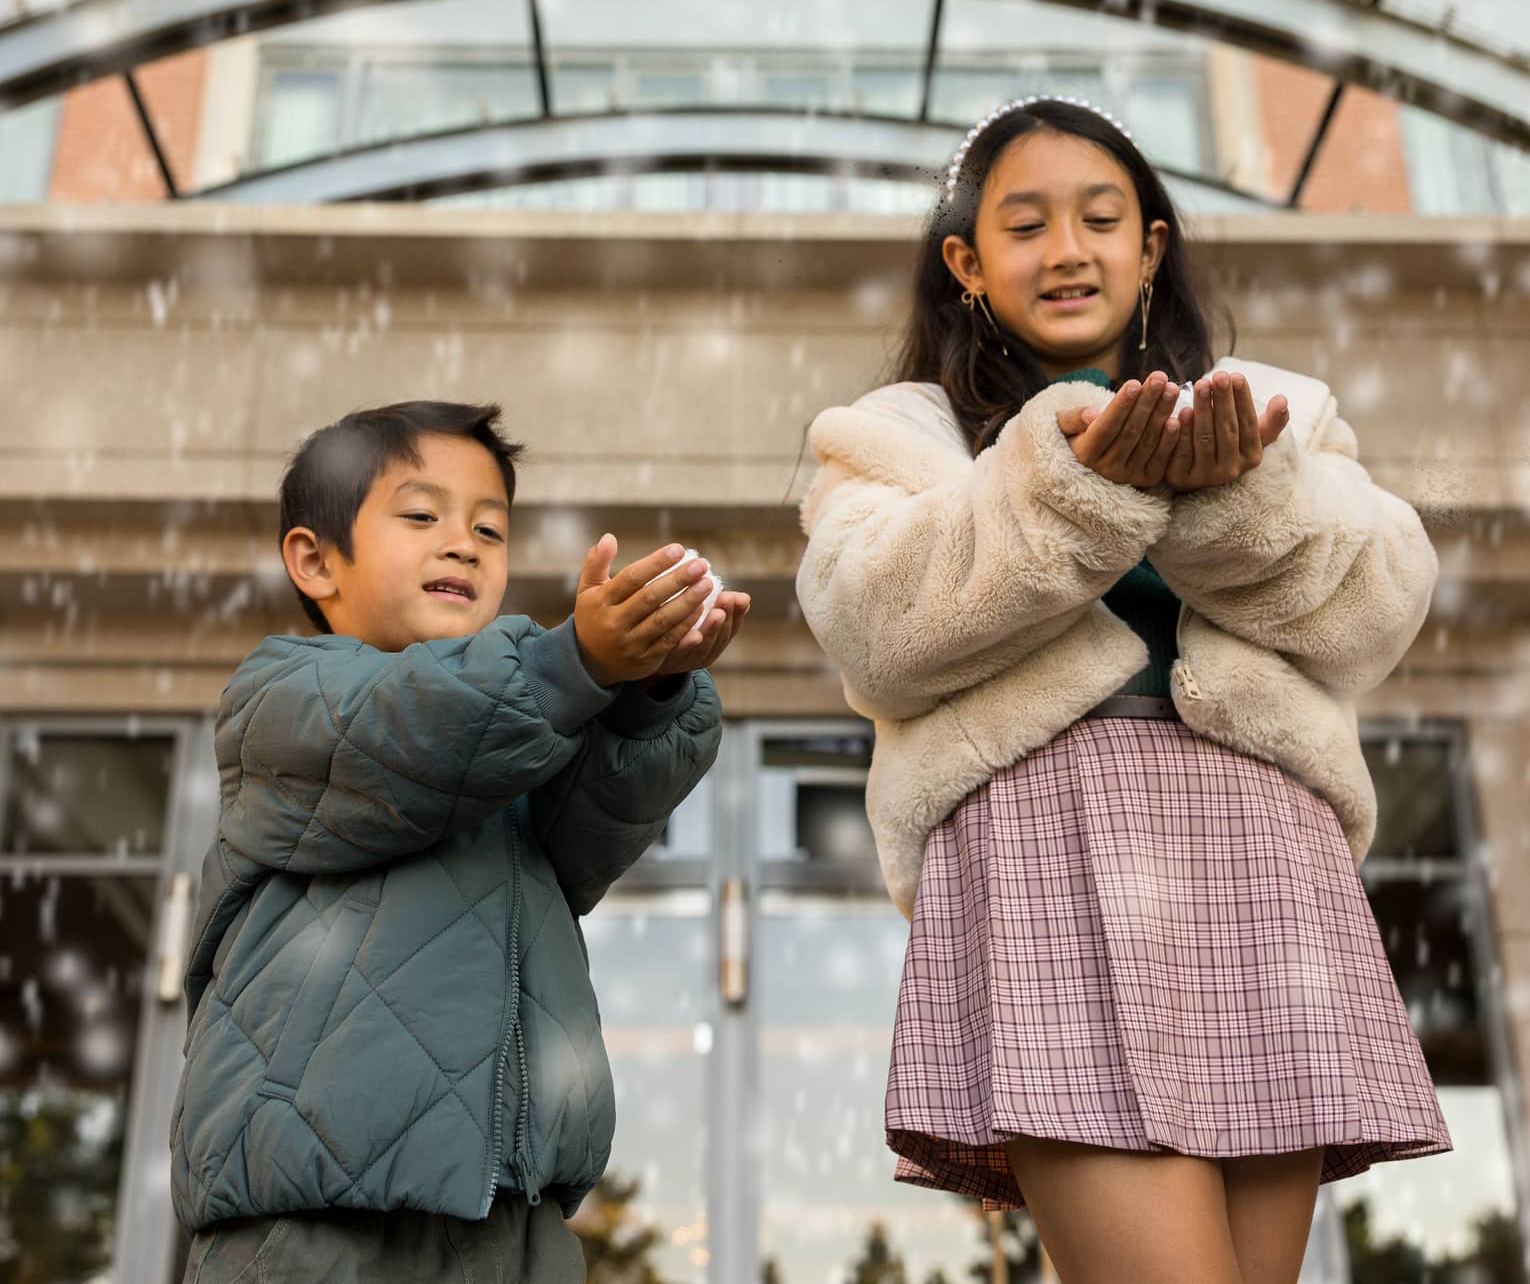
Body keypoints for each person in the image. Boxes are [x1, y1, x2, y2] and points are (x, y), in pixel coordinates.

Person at [794, 96, 1450, 1284]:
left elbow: (1379, 606)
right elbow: (871, 627)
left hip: (1263, 847)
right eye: (1027, 223)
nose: (1068, 249)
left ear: (1150, 245)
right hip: (1047, 842)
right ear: (968, 263)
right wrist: (1068, 491)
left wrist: (1233, 506)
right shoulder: (898, 431)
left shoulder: (1274, 408)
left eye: (1103, 217)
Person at [170, 399, 749, 1284]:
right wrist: (575, 665)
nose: (463, 542)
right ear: (314, 561)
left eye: (490, 526)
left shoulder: (513, 744)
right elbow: (413, 727)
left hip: (513, 1219)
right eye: (420, 515)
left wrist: (648, 690)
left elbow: (594, 826)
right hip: (317, 1221)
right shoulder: (281, 697)